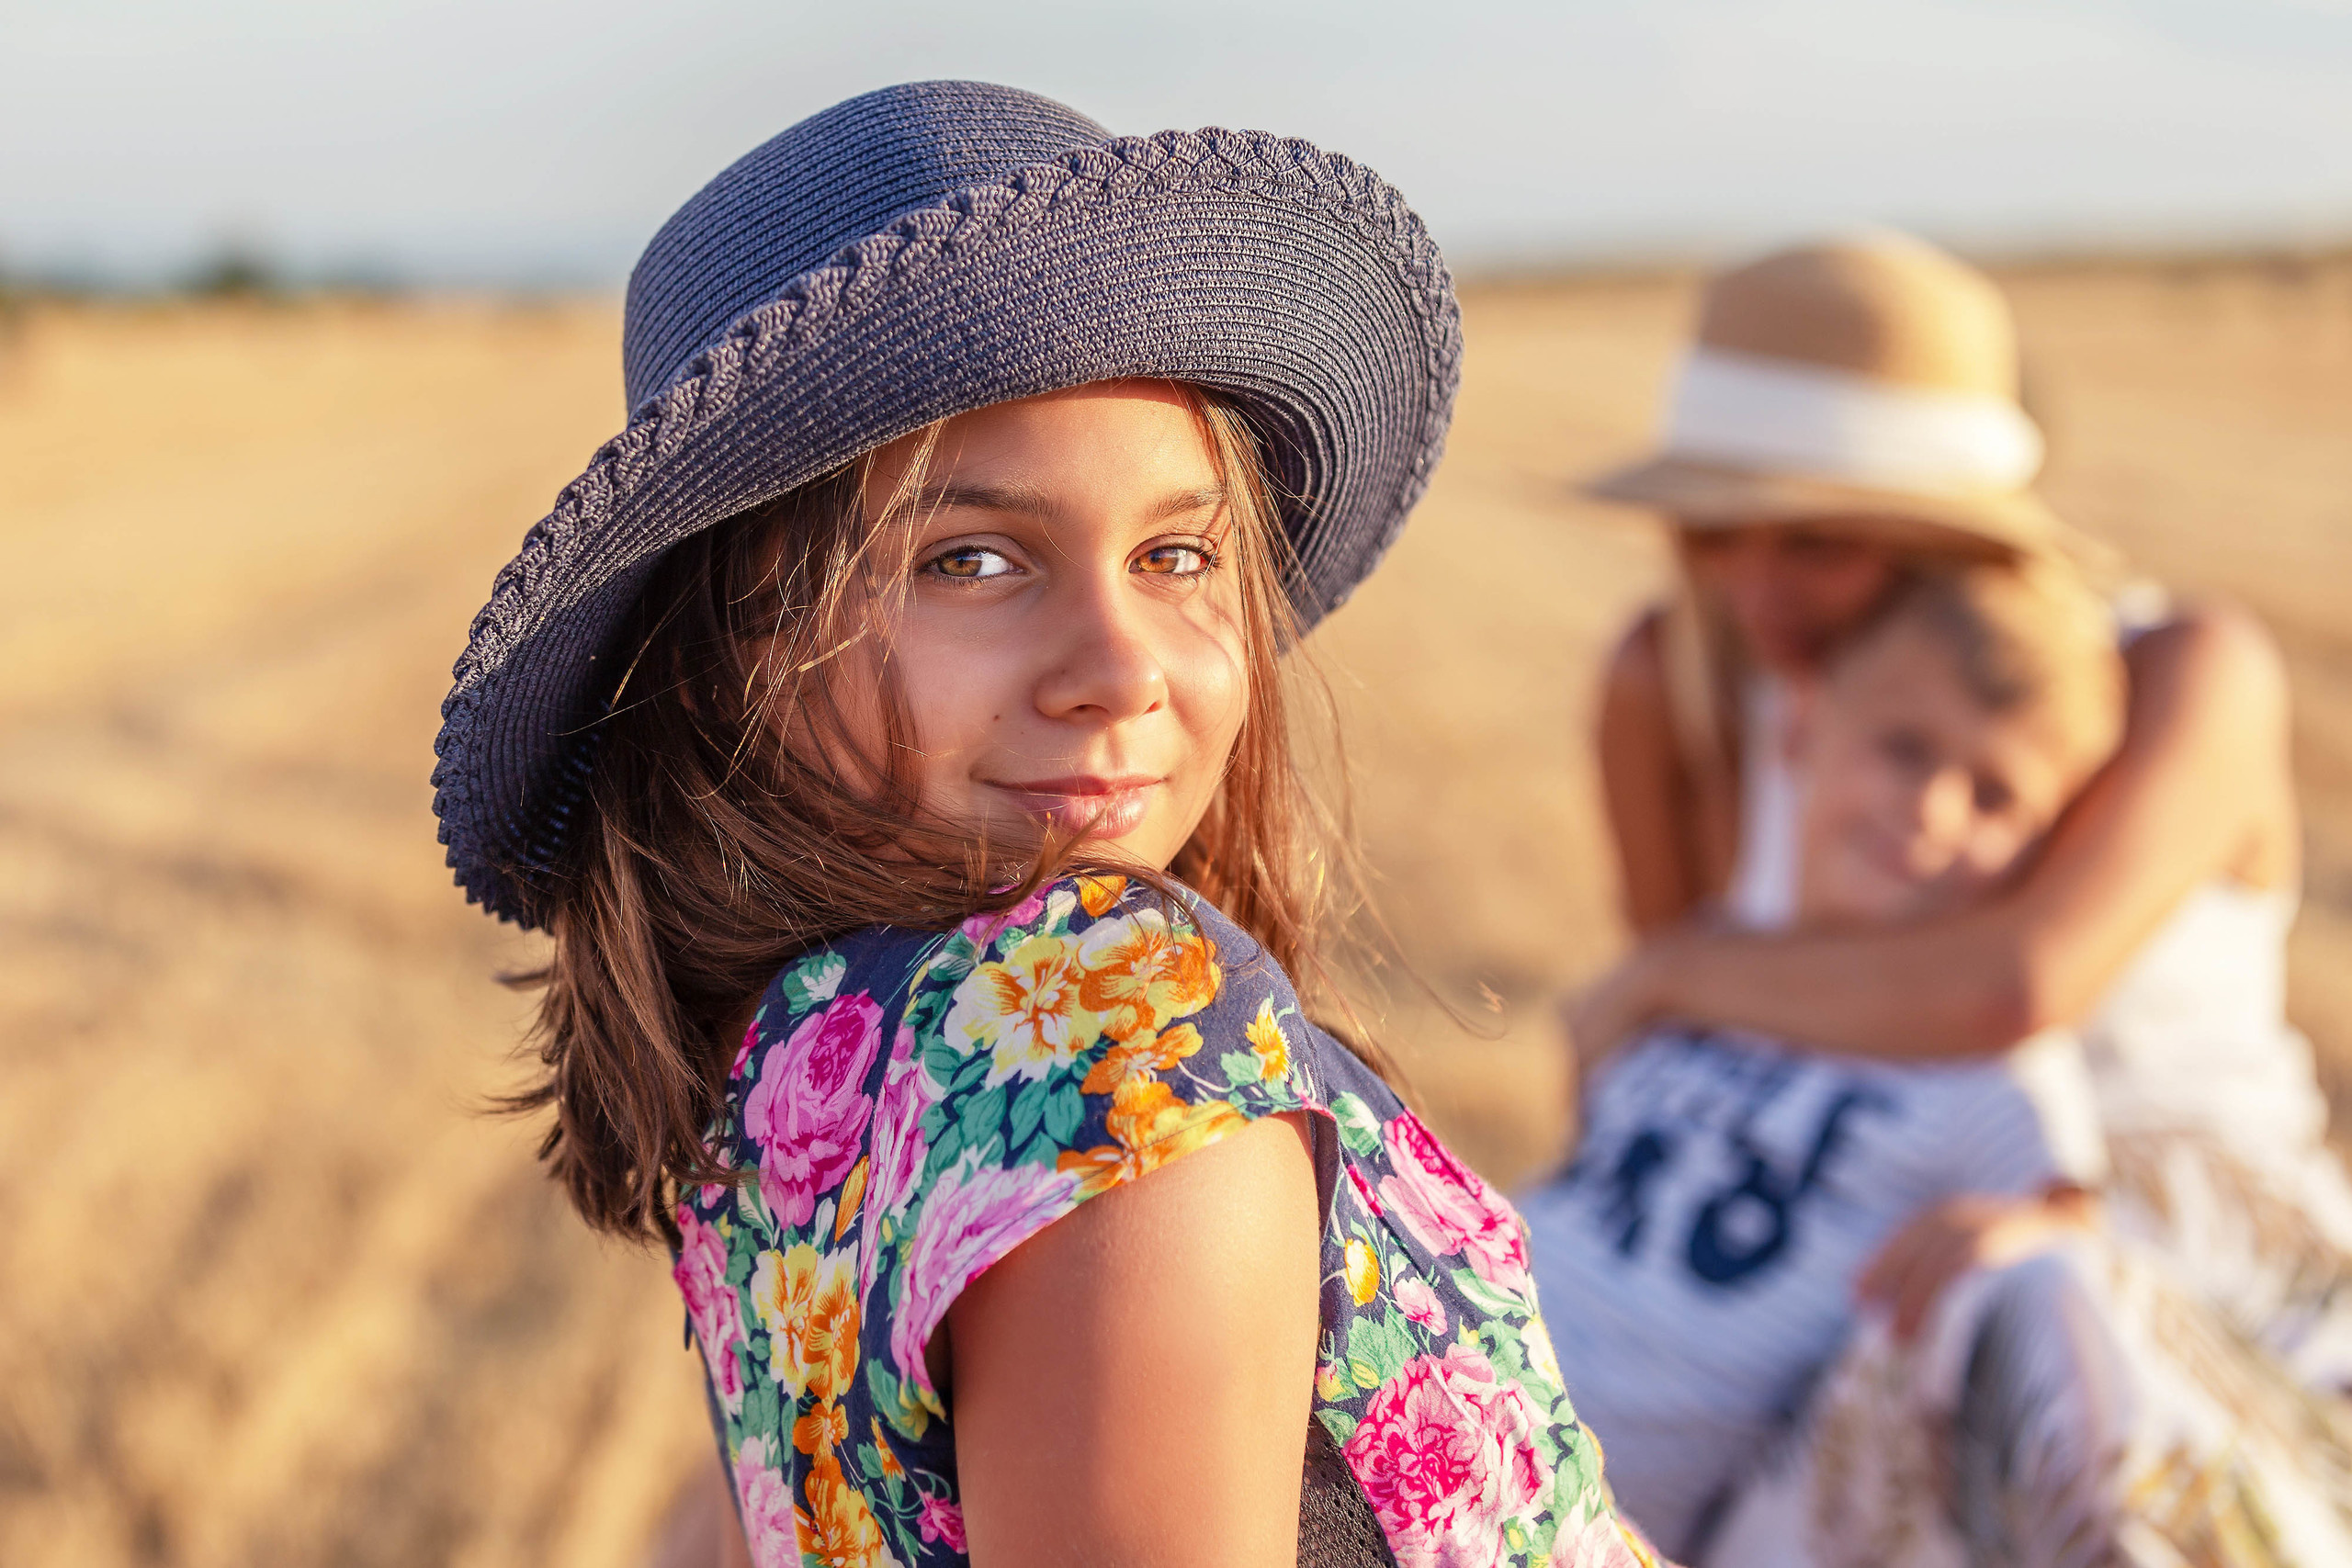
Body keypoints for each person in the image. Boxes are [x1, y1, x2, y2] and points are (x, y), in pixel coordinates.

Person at [428, 82, 1657, 1568]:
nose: (1121, 664)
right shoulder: (1115, 1037)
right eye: (972, 557)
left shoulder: (801, 1048)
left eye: (1176, 551)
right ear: (731, 637)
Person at [1564, 232, 2351, 1370]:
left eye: (1818, 539)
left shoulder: (2184, 669)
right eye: (1711, 528)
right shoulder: (1675, 685)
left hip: (2218, 1293)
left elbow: (2016, 985)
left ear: (1959, 534)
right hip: (1867, 1311)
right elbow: (1698, 1081)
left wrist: (1672, 974)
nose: (1751, 583)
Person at [1518, 559, 2124, 1559]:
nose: (1931, 811)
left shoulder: (1985, 1066)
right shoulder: (1715, 960)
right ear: (1803, 729)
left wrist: (2022, 1226)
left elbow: (2075, 1225)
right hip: (1459, 1346)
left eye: (1992, 796)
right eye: (1904, 749)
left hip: (1582, 1495)